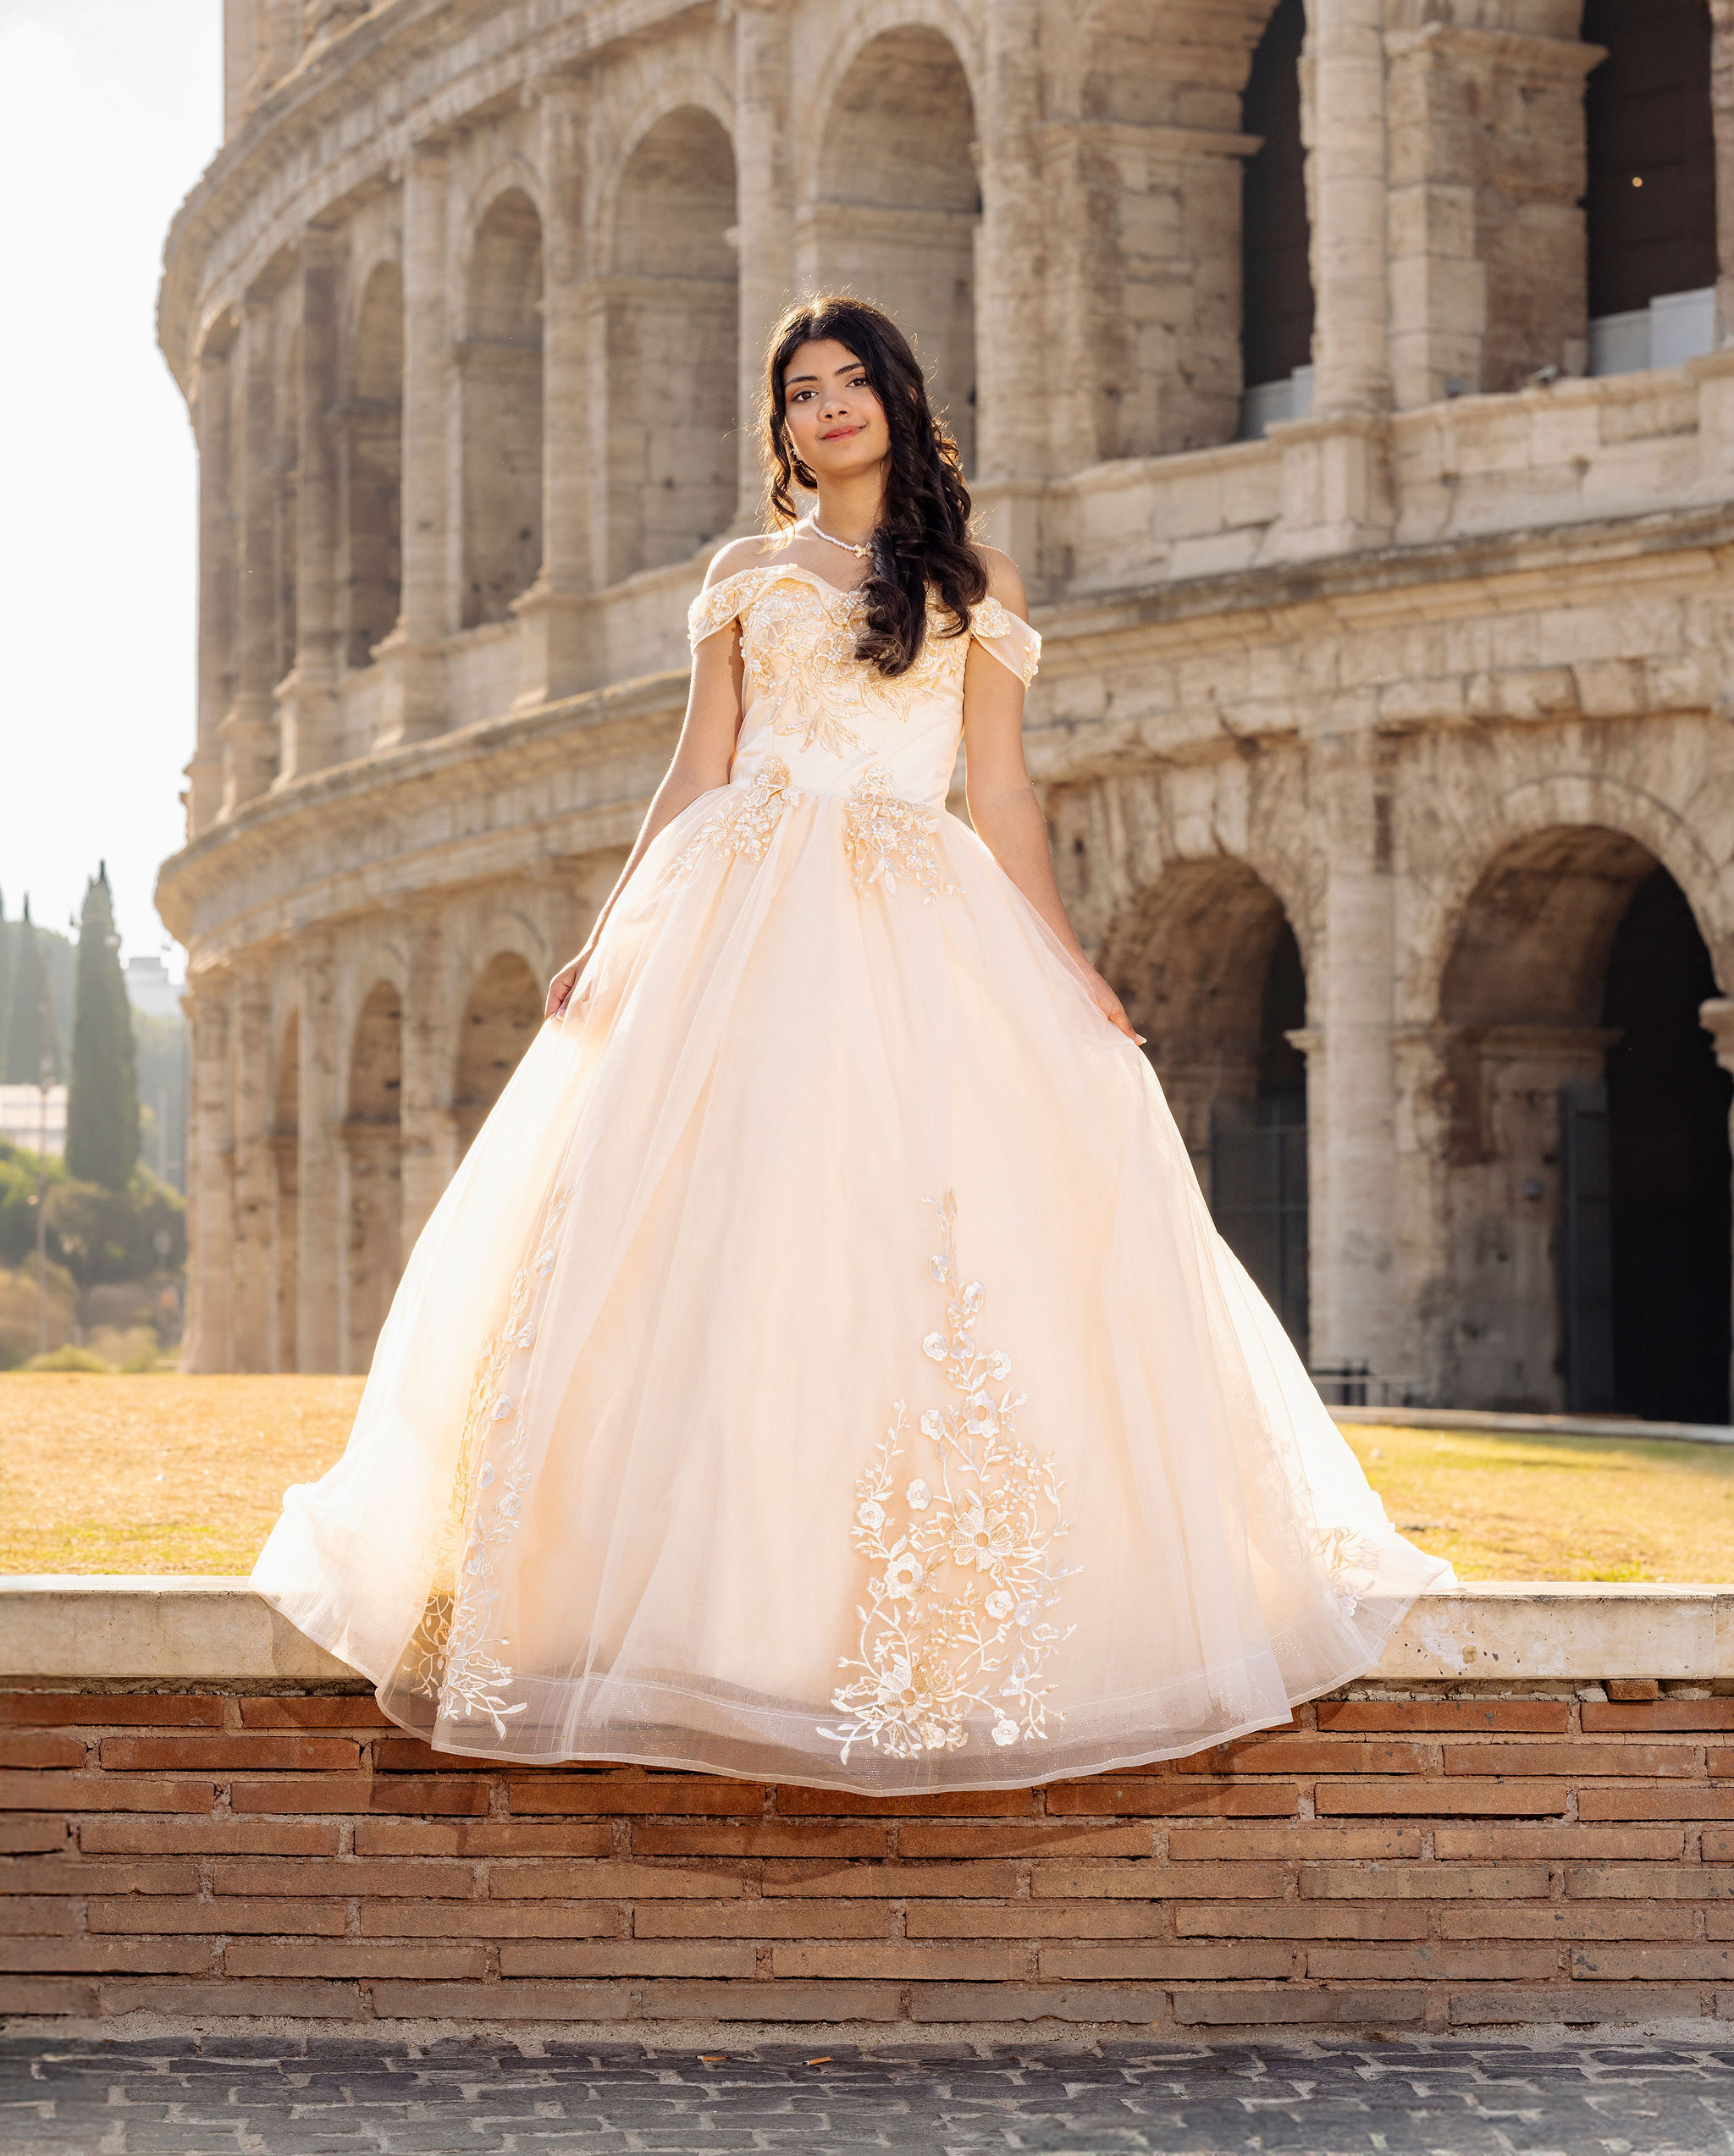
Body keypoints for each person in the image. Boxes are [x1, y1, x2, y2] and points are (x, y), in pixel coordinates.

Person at [254, 294, 1450, 1794]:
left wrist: (1069, 961)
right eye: (800, 392)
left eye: (849, 383)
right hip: (734, 908)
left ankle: (899, 1621)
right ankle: (652, 1606)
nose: (826, 409)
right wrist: (612, 926)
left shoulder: (973, 581)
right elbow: (697, 764)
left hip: (909, 900)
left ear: (898, 397)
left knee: (915, 1234)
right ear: (782, 427)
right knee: (706, 1228)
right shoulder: (745, 571)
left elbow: (1001, 795)